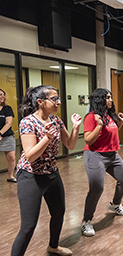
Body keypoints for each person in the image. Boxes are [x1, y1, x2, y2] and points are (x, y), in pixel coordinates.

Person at [11, 85, 81, 256]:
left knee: (58, 213)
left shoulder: (56, 121)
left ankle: (53, 246)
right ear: (40, 102)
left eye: (58, 98)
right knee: (28, 226)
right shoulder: (27, 122)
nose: (58, 102)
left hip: (51, 173)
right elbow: (30, 156)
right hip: (30, 176)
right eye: (54, 99)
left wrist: (76, 127)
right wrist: (46, 139)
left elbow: (70, 144)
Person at [81, 88, 123, 237]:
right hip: (95, 155)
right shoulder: (91, 117)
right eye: (107, 97)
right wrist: (99, 125)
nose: (110, 100)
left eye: (110, 97)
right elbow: (88, 140)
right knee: (97, 188)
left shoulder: (109, 115)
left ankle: (115, 204)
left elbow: (111, 133)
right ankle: (86, 221)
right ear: (99, 99)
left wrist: (120, 123)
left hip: (112, 155)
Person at [0, 89, 17, 182]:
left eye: (3, 95)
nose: (2, 97)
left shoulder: (7, 108)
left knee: (11, 157)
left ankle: (10, 176)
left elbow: (8, 123)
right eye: (0, 95)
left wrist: (0, 133)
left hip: (7, 136)